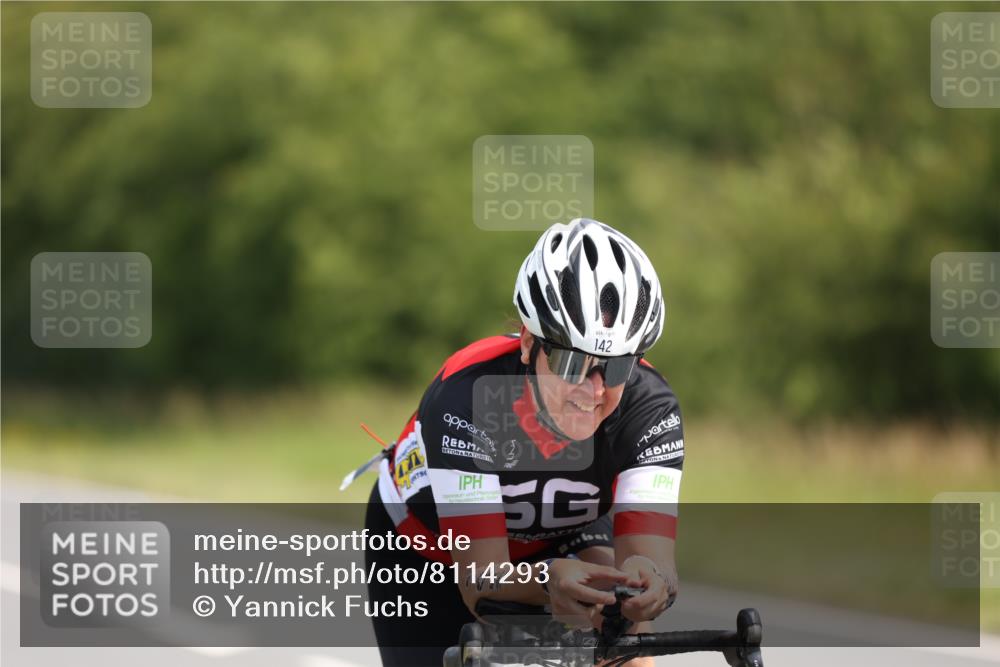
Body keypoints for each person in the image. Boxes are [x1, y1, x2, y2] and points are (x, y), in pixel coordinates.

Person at [362, 218, 684, 666]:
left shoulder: (650, 407)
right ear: (529, 342)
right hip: (429, 550)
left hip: (566, 537)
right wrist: (550, 580)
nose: (592, 390)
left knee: (625, 637)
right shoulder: (468, 395)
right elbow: (481, 585)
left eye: (615, 368)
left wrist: (647, 582)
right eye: (572, 362)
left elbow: (650, 562)